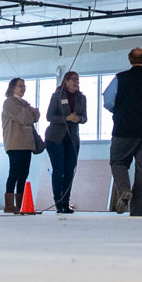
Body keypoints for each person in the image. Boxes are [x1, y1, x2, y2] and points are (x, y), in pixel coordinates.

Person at [106, 47, 142, 218]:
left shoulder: (120, 78)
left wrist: (119, 111)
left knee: (118, 161)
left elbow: (108, 100)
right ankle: (137, 211)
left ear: (129, 60)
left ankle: (124, 190)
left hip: (124, 130)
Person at [42, 70, 87, 215]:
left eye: (78, 80)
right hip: (55, 137)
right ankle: (58, 203)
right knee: (59, 169)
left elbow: (85, 118)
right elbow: (49, 116)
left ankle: (66, 202)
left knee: (69, 170)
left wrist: (78, 119)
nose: (76, 82)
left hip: (72, 138)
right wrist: (66, 118)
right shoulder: (57, 96)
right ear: (66, 81)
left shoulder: (82, 98)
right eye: (73, 79)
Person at [0, 78, 41, 214]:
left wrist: (31, 112)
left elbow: (37, 115)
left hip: (27, 144)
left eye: (24, 86)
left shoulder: (24, 103)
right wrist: (31, 112)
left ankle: (21, 205)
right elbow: (26, 118)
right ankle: (9, 205)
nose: (23, 88)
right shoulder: (9, 103)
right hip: (15, 143)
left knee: (24, 174)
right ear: (12, 87)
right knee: (14, 173)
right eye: (20, 86)